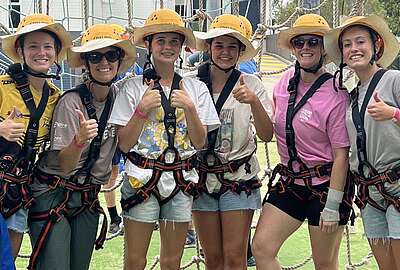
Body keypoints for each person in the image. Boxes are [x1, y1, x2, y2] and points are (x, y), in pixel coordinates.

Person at [108, 8, 219, 270]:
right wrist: (140, 111)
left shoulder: (195, 88)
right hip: (141, 180)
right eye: (161, 41)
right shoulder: (132, 87)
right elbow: (123, 144)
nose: (167, 47)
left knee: (172, 261)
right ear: (148, 44)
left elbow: (200, 142)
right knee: (135, 260)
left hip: (180, 183)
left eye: (174, 41)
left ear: (181, 46)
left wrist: (190, 109)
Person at [28, 23, 136, 270]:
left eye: (111, 55)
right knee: (55, 265)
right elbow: (65, 165)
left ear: (119, 60)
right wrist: (79, 141)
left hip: (87, 196)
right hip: (53, 193)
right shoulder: (71, 103)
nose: (104, 62)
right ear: (86, 63)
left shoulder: (121, 97)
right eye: (95, 56)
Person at [252, 14, 353, 270]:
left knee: (325, 264)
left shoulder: (337, 94)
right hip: (291, 183)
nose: (305, 48)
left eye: (313, 42)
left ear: (324, 49)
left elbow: (341, 155)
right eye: (299, 43)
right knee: (261, 248)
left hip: (326, 186)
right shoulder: (284, 83)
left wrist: (332, 205)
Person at [191, 13, 273, 270]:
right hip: (202, 177)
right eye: (219, 45)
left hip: (238, 177)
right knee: (212, 258)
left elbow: (266, 134)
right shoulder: (192, 84)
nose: (225, 52)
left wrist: (254, 102)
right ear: (208, 48)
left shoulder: (251, 84)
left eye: (231, 47)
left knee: (236, 257)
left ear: (240, 51)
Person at [325, 15, 400, 270]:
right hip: (370, 194)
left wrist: (394, 114)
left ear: (375, 46)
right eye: (347, 44)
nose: (354, 49)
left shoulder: (394, 81)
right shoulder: (353, 95)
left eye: (360, 42)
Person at [0, 13, 72, 260]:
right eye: (33, 46)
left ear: (56, 52)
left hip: (19, 190)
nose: (41, 52)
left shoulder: (55, 97)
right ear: (20, 51)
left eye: (47, 47)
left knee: (8, 259)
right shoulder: (1, 86)